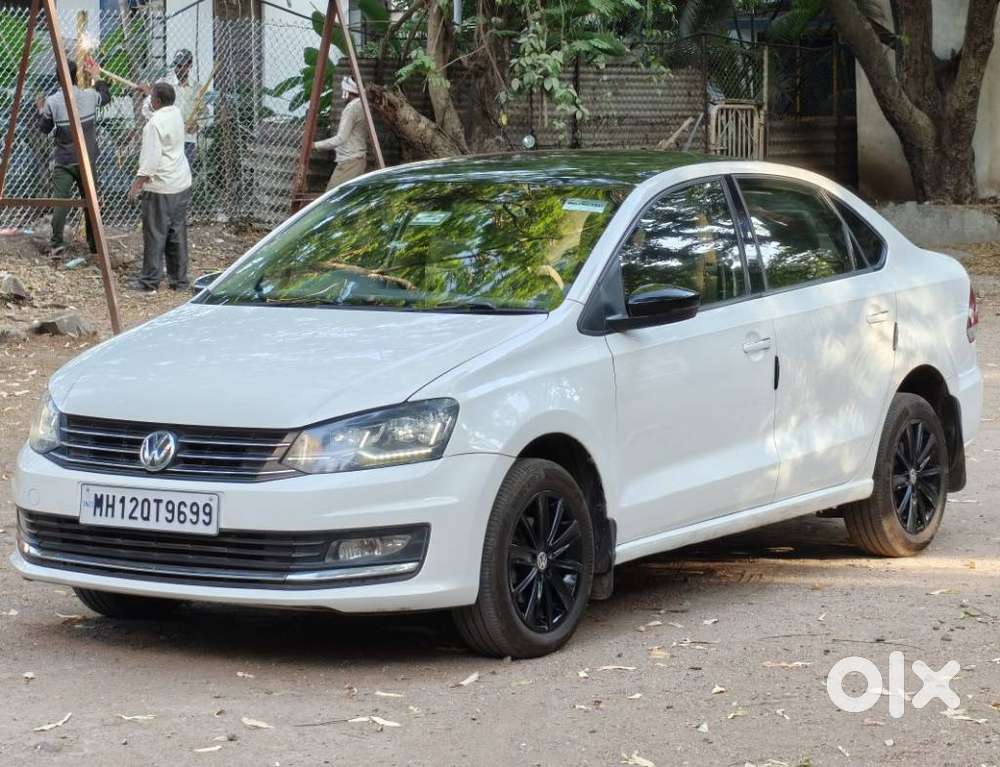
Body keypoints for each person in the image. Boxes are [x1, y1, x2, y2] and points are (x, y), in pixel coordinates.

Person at [35, 58, 110, 257]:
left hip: (64, 160)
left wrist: (41, 110)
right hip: (87, 159)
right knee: (90, 201)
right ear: (76, 75)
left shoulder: (53, 101)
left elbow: (44, 129)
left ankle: (57, 243)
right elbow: (106, 96)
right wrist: (96, 76)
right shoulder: (89, 95)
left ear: (57, 78)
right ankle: (95, 246)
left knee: (61, 202)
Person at [129, 82, 192, 293]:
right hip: (180, 182)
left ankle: (149, 282)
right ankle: (179, 281)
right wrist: (149, 95)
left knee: (155, 234)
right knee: (176, 232)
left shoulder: (153, 126)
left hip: (161, 186)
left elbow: (151, 160)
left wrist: (137, 184)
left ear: (157, 101)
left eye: (153, 98)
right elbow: (152, 111)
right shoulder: (175, 113)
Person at [141, 49, 204, 167]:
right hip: (166, 140)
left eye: (182, 65)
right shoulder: (164, 83)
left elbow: (204, 112)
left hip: (187, 141)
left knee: (182, 178)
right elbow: (147, 109)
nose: (179, 69)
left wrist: (198, 125)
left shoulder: (197, 88)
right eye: (177, 65)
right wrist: (149, 96)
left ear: (189, 65)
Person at [313, 77, 368, 190]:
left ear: (347, 91)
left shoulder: (351, 108)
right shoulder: (362, 105)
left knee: (331, 198)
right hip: (358, 159)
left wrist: (315, 145)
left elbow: (341, 138)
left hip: (349, 161)